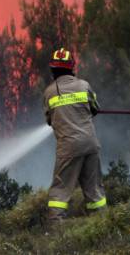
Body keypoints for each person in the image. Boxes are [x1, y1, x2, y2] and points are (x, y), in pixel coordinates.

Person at [43, 47, 106, 220]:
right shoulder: (84, 85)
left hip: (69, 147)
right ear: (71, 68)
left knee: (60, 191)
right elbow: (95, 109)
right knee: (94, 189)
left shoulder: (49, 92)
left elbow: (49, 120)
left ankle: (55, 228)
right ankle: (102, 222)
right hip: (90, 144)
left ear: (53, 70)